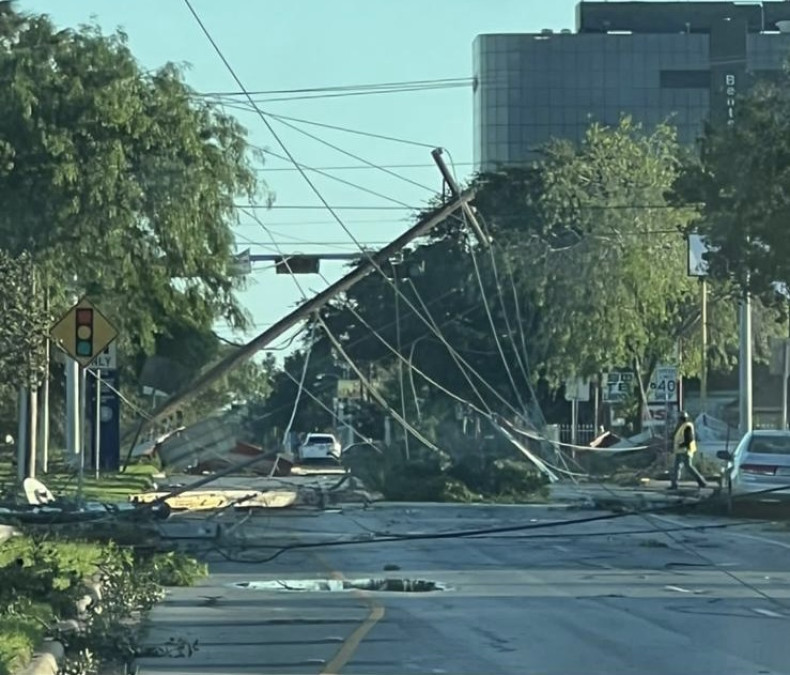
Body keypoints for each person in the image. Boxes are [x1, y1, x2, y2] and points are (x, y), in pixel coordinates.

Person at [670, 411, 707, 490]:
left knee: (688, 467)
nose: (679, 420)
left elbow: (689, 439)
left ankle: (701, 482)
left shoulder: (687, 426)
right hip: (680, 450)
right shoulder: (682, 426)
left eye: (680, 419)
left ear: (681, 419)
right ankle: (674, 484)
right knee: (677, 467)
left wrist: (681, 445)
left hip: (685, 450)